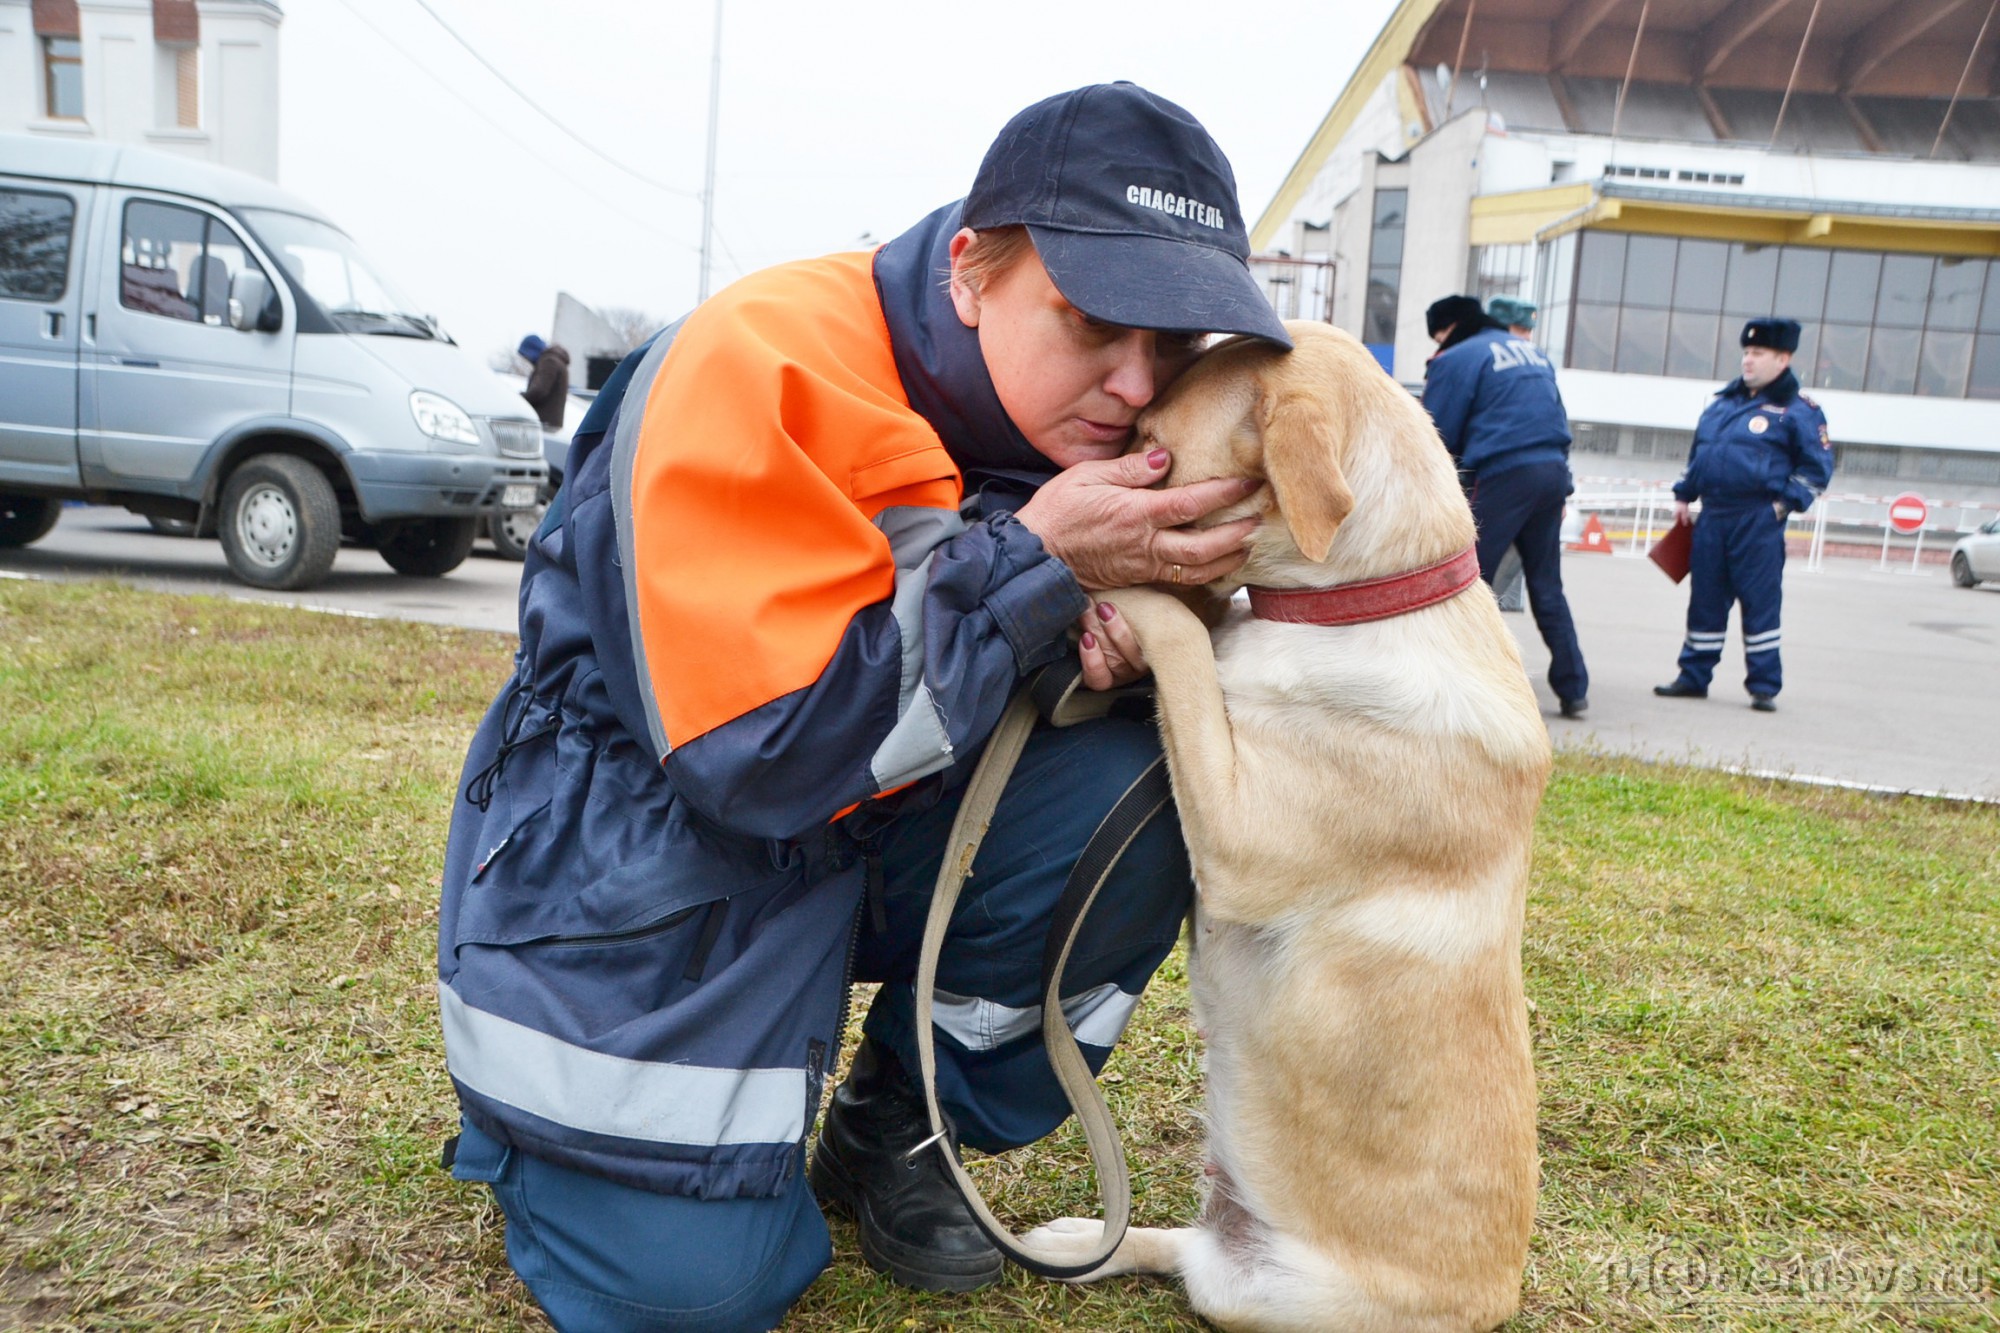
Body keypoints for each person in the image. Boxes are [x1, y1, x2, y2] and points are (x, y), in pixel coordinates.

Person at [434, 82, 1290, 1333]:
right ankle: (542, 1135)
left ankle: (903, 1123)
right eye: (1095, 321)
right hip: (644, 853)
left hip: (842, 833)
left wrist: (1087, 649)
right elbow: (758, 754)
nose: (1130, 383)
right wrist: (1040, 571)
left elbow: (942, 649)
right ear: (968, 270)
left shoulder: (1038, 417)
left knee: (1152, 774)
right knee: (702, 1294)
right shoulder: (761, 361)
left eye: (1169, 347)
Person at [1421, 294, 1591, 718]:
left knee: (1468, 581)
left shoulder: (1457, 359)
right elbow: (1556, 420)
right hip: (1551, 473)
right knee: (1546, 584)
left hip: (1503, 475)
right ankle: (1573, 687)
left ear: (1449, 329)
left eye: (1438, 336)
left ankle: (1460, 681)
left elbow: (1434, 437)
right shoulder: (1532, 354)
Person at [1654, 317, 1832, 712]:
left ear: (1783, 359)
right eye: (1746, 352)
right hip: (1713, 516)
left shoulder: (1799, 411)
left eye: (1759, 353)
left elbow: (1817, 469)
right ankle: (1693, 677)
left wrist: (1782, 505)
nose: (1748, 360)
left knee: (1760, 602)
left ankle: (1764, 686)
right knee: (1705, 600)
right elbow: (1700, 454)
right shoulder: (1723, 404)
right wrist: (1684, 495)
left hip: (1758, 520)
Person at [517, 332, 571, 431]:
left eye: (526, 354)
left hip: (544, 423)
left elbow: (539, 390)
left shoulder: (548, 362)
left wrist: (519, 399)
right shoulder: (556, 360)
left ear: (531, 350)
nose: (527, 358)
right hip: (550, 423)